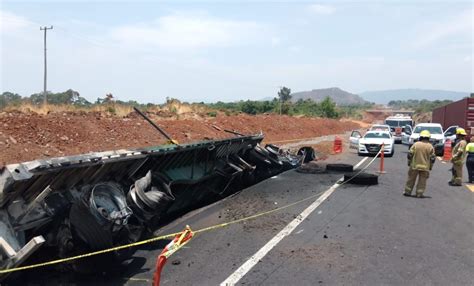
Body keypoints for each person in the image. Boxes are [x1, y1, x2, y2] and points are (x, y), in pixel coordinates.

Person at [404, 130, 436, 198]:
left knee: (411, 179)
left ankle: (407, 191)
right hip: (425, 167)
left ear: (421, 137)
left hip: (414, 165)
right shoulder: (430, 146)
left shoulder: (416, 144)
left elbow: (410, 154)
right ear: (428, 138)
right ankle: (419, 193)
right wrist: (430, 167)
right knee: (422, 181)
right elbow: (432, 158)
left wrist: (409, 162)